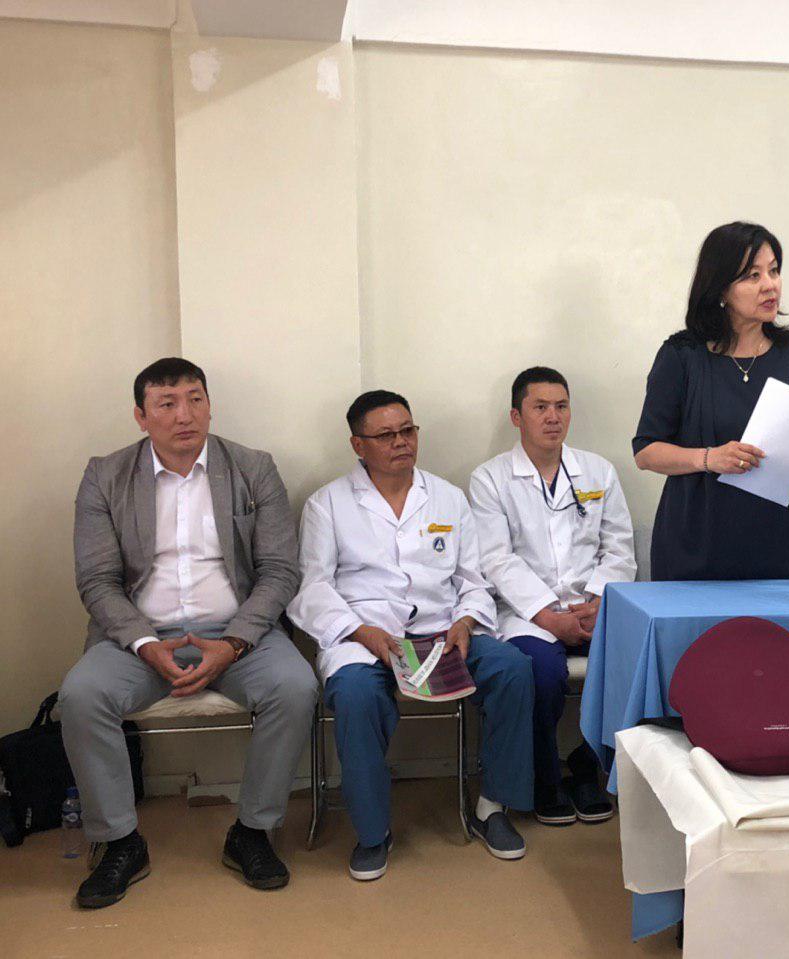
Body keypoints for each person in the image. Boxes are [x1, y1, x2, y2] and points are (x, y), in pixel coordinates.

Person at [59, 357, 316, 909]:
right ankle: (120, 842)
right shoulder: (106, 475)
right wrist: (146, 645)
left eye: (195, 399)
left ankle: (252, 831)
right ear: (141, 415)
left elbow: (279, 571)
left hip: (238, 632)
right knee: (81, 695)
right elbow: (97, 580)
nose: (185, 415)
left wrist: (234, 643)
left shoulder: (253, 467)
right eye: (167, 403)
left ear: (209, 404)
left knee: (295, 687)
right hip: (140, 636)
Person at [288, 390, 534, 881]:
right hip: (364, 635)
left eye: (407, 430)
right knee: (356, 696)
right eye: (385, 435)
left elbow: (473, 578)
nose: (401, 442)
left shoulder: (447, 497)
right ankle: (372, 831)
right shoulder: (328, 504)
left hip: (443, 630)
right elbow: (313, 586)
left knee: (512, 669)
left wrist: (466, 621)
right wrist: (361, 632)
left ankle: (492, 806)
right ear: (358, 445)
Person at [633, 221, 789, 581]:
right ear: (721, 288)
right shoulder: (682, 355)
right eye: (753, 275)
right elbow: (645, 452)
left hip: (772, 540)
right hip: (695, 542)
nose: (770, 285)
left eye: (774, 271)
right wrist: (709, 458)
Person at [469, 367, 636, 826]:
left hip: (594, 607)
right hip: (526, 613)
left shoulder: (598, 470)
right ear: (516, 417)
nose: (552, 417)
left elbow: (619, 547)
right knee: (539, 672)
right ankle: (545, 775)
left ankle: (587, 765)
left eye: (561, 406)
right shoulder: (490, 478)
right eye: (540, 407)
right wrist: (548, 616)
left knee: (635, 663)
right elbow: (496, 559)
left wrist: (598, 601)